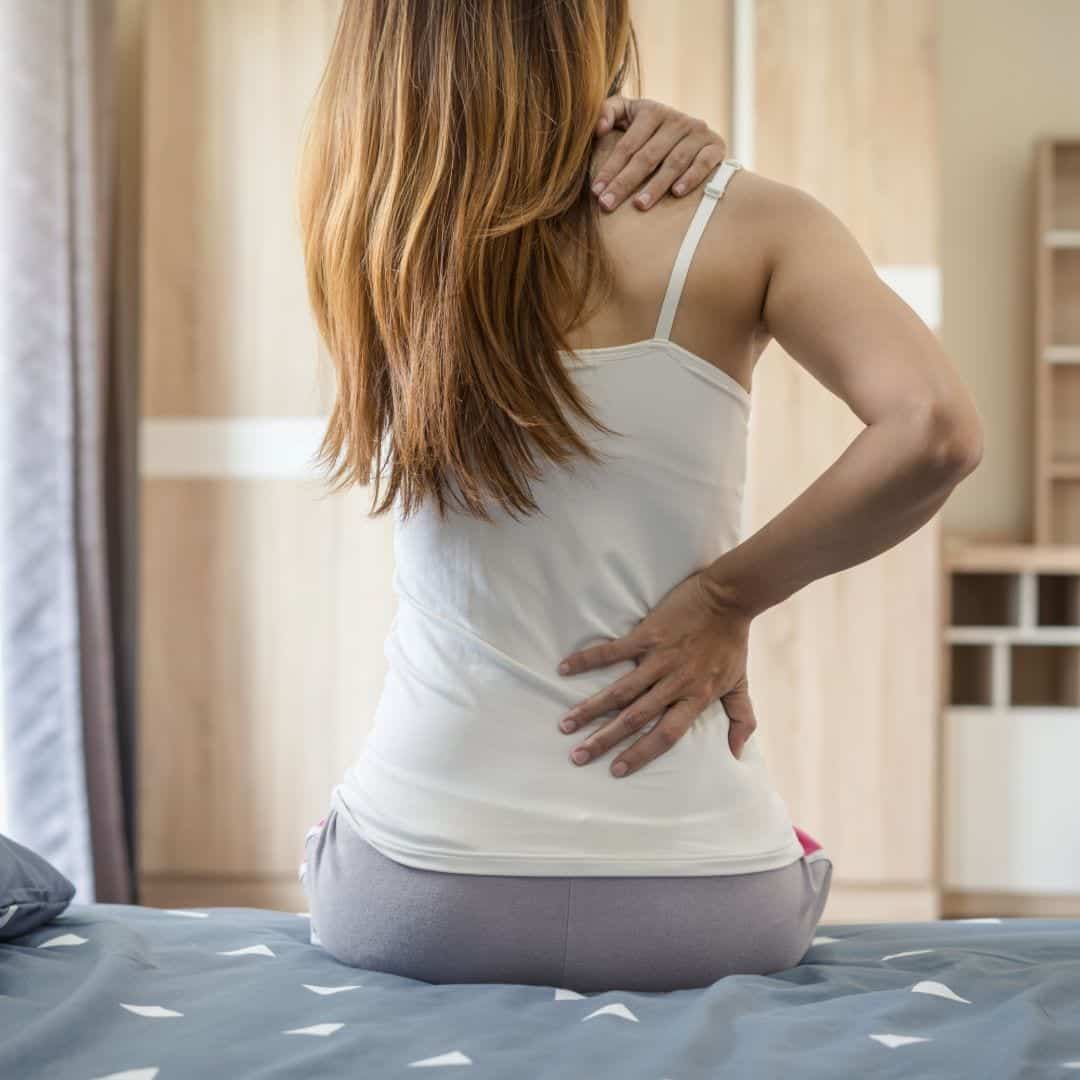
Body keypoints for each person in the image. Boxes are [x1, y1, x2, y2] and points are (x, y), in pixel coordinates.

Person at [296, 0, 983, 994]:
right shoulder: (747, 220)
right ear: (588, 32)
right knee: (780, 839)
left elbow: (492, 181)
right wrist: (724, 601)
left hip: (415, 898)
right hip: (704, 906)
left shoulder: (366, 231)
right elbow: (936, 427)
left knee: (339, 830)